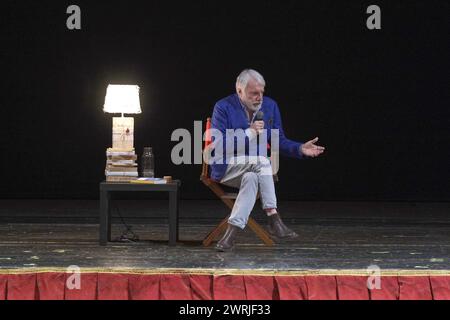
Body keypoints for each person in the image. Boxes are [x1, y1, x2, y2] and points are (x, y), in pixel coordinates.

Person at [210, 69, 325, 252]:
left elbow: (279, 140)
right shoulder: (223, 107)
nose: (259, 97)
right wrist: (250, 132)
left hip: (254, 171)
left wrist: (300, 148)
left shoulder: (270, 106)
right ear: (239, 91)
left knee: (252, 178)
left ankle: (229, 236)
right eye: (254, 93)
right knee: (263, 162)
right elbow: (219, 145)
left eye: (261, 92)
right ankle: (273, 217)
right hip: (227, 168)